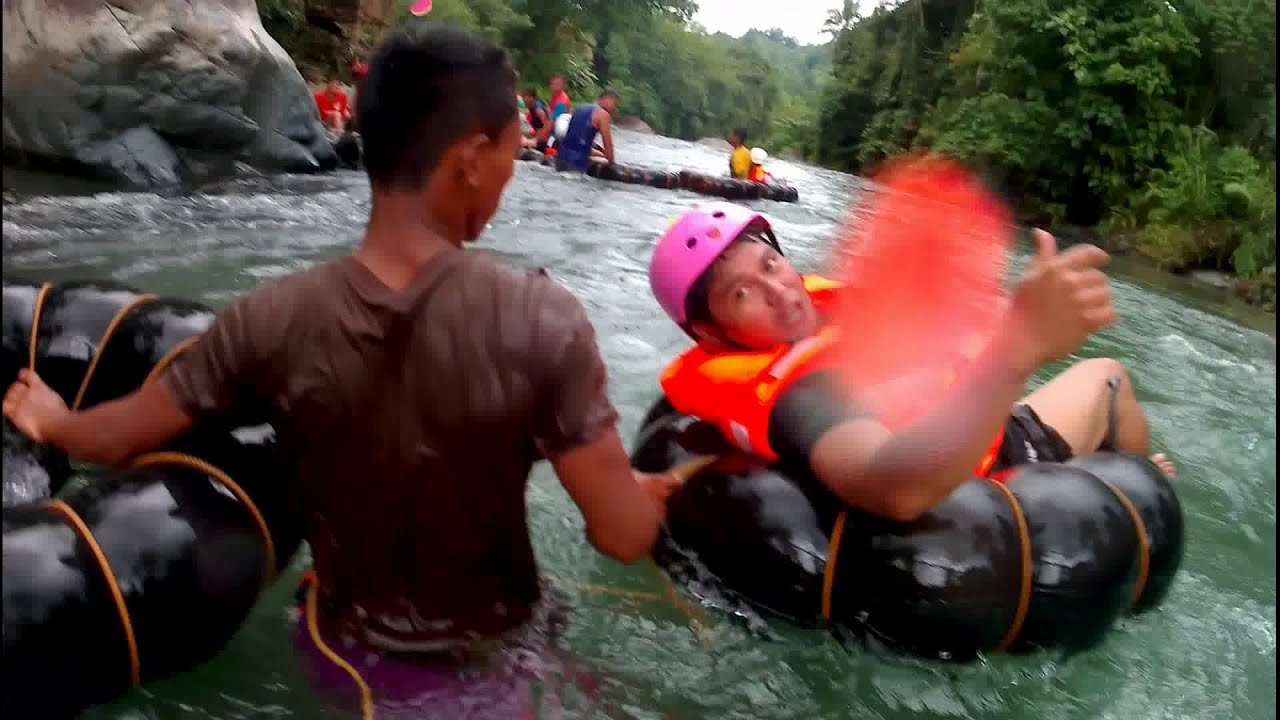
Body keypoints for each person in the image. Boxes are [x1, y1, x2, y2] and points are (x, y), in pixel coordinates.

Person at [5, 23, 680, 716]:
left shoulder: (270, 318)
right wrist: (644, 494)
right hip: (515, 650)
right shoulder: (544, 318)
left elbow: (117, 437)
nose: (511, 174)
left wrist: (55, 419)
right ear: (472, 157)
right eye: (511, 153)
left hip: (353, 663)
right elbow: (620, 535)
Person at [648, 202, 1176, 523]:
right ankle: (1134, 489)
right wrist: (1018, 351)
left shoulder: (809, 334)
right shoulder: (801, 398)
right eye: (742, 293)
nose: (779, 291)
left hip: (950, 421)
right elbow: (894, 489)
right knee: (1109, 376)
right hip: (977, 464)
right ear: (710, 335)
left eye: (771, 263)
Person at [556, 90, 618, 172]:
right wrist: (611, 162)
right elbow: (608, 144)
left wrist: (600, 154)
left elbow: (577, 140)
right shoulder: (603, 115)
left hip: (561, 158)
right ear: (607, 99)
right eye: (615, 104)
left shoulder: (580, 107)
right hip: (577, 162)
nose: (614, 108)